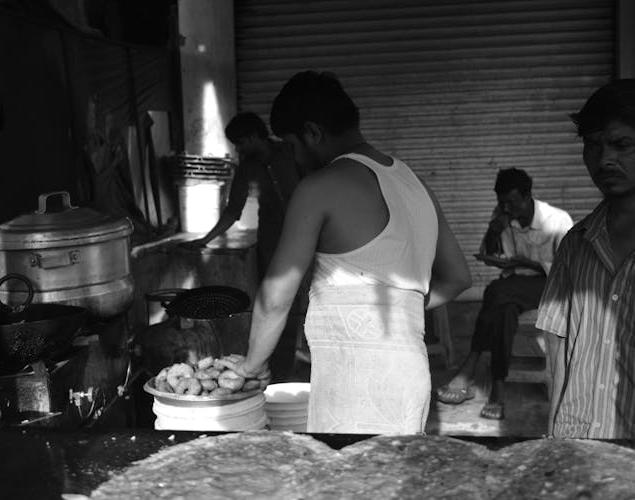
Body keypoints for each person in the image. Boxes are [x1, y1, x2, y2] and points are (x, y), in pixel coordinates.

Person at [218, 70, 471, 435]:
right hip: (411, 377)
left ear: (313, 133)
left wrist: (253, 365)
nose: (295, 160)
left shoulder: (320, 186)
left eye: (291, 147)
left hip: (353, 383)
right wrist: (402, 305)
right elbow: (459, 277)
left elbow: (275, 296)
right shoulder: (413, 183)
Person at [536, 79, 635, 439]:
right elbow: (558, 350)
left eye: (622, 144)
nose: (605, 158)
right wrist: (553, 438)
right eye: (593, 146)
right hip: (577, 441)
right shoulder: (576, 245)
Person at [436, 168, 573, 420]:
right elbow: (491, 253)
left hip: (550, 285)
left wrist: (528, 263)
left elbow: (568, 268)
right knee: (504, 311)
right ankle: (497, 390)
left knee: (496, 291)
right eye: (502, 203)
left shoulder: (557, 220)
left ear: (527, 195)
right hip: (513, 287)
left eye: (511, 202)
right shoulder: (502, 216)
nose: (506, 208)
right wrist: (493, 230)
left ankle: (471, 363)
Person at [182, 111, 305, 381]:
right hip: (273, 246)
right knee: (276, 306)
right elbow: (232, 212)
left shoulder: (291, 152)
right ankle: (278, 374)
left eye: (240, 142)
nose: (238, 149)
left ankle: (306, 366)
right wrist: (205, 240)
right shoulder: (247, 168)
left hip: (308, 239)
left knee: (307, 308)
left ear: (253, 136)